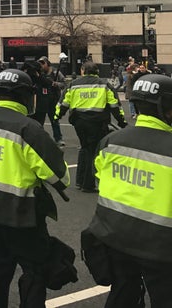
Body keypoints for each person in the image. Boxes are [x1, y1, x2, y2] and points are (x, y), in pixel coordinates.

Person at [0, 69, 70, 308]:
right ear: (25, 96)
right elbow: (60, 177)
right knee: (34, 272)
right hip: (22, 213)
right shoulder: (29, 128)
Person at [84, 73, 172, 307]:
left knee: (123, 294)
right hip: (161, 247)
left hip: (115, 237)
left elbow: (103, 183)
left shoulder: (111, 141)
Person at [55, 61, 126, 192]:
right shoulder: (105, 85)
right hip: (98, 122)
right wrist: (122, 122)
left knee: (85, 148)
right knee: (93, 151)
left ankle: (80, 180)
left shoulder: (74, 84)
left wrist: (57, 116)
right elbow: (115, 105)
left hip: (79, 121)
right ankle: (88, 184)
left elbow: (63, 102)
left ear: (83, 71)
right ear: (97, 71)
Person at [32, 57, 66, 147]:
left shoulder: (55, 72)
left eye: (43, 63)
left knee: (54, 120)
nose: (42, 65)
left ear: (48, 63)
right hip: (42, 100)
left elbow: (64, 84)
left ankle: (58, 138)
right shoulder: (39, 74)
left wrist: (56, 84)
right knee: (40, 122)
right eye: (40, 63)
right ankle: (40, 138)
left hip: (53, 100)